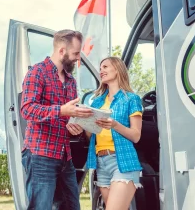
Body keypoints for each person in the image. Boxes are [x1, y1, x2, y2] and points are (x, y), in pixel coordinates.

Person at [20, 29, 93, 210]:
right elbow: (27, 109)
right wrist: (61, 110)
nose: (78, 59)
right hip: (40, 154)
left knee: (71, 206)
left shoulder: (71, 81)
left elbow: (67, 116)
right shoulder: (37, 73)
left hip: (64, 155)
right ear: (61, 51)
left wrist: (75, 123)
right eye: (75, 53)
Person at [67, 56, 143, 210]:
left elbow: (136, 136)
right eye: (100, 68)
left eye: (106, 67)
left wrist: (114, 125)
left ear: (118, 69)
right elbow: (91, 136)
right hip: (100, 163)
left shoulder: (131, 99)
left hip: (122, 162)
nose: (101, 71)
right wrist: (82, 127)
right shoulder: (96, 102)